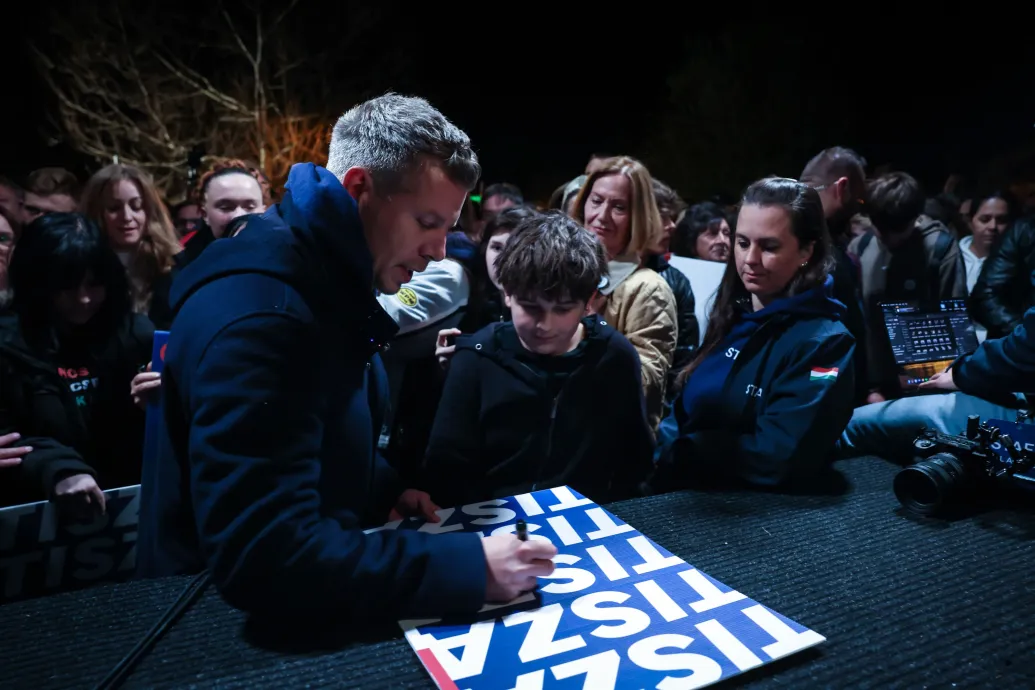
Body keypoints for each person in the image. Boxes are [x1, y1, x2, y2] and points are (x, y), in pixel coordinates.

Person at [137, 94, 556, 619]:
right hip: (203, 625)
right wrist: (469, 568)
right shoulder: (267, 317)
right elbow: (266, 557)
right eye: (427, 222)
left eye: (447, 228)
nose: (439, 251)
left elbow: (310, 426)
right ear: (359, 188)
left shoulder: (318, 275)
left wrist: (376, 487)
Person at [423, 211, 653, 506]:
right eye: (530, 306)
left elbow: (634, 460)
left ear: (589, 302)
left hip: (587, 518)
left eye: (562, 309)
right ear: (507, 293)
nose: (545, 324)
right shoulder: (477, 356)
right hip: (488, 521)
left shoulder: (613, 356)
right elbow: (445, 466)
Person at [652, 177, 856, 488]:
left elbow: (780, 455)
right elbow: (682, 408)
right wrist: (661, 454)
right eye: (742, 242)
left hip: (752, 517)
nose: (750, 260)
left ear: (806, 251)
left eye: (769, 246)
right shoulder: (731, 311)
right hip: (679, 495)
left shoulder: (826, 344)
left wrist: (683, 452)